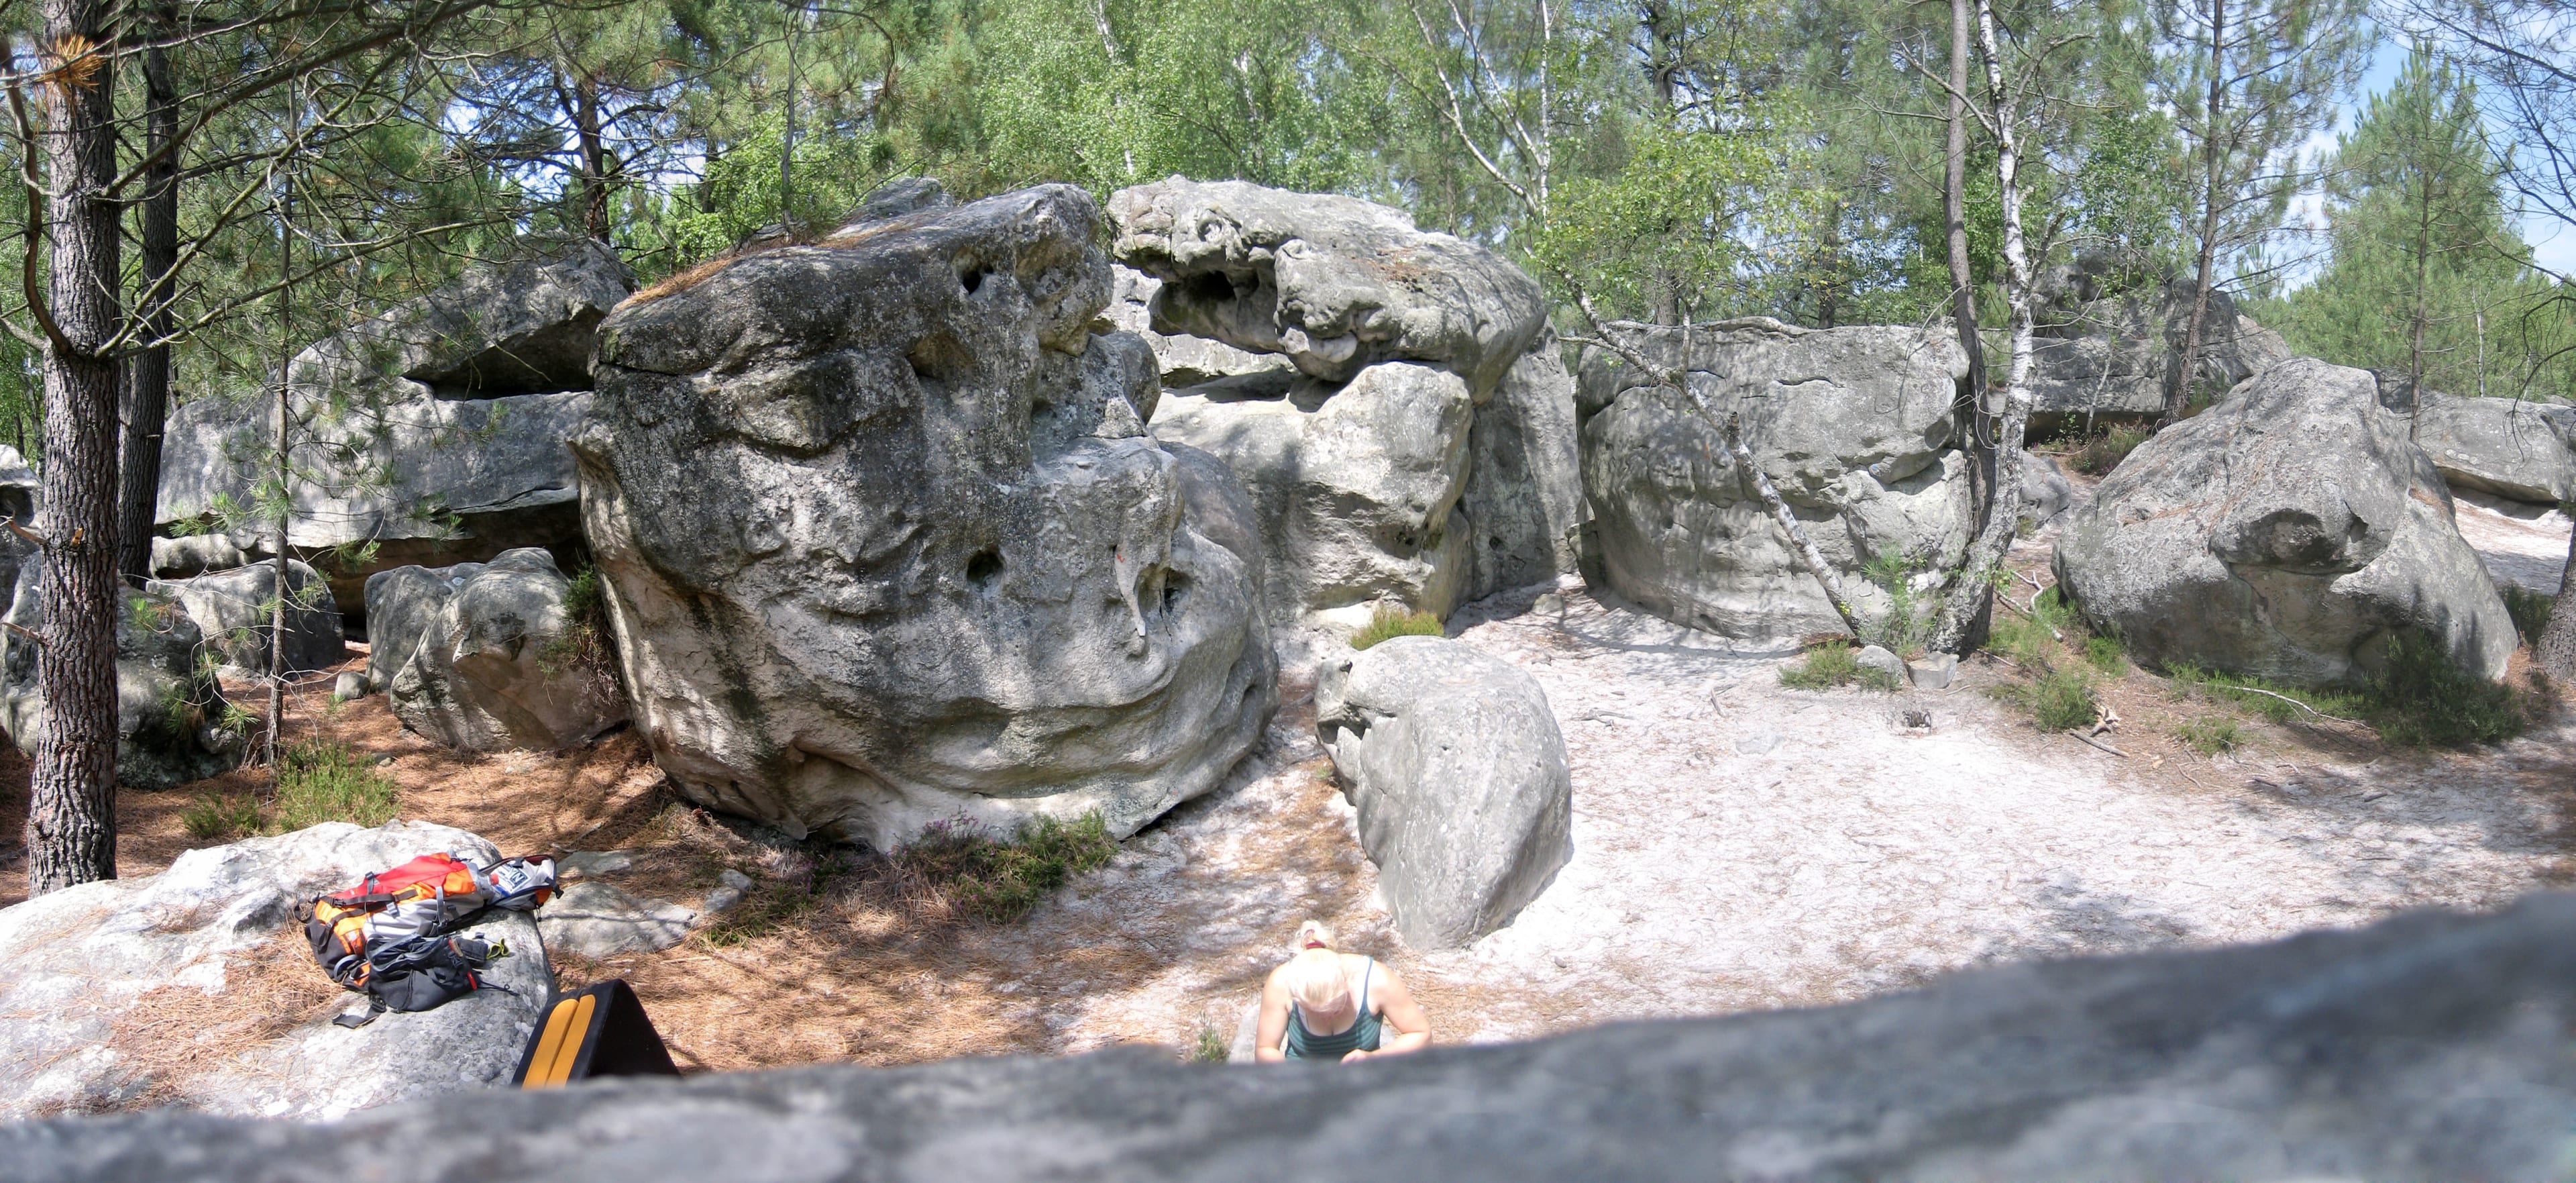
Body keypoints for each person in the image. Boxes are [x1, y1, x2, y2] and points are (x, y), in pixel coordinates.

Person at [1254, 920, 1430, 1062]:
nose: (1326, 1018)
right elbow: (1265, 1049)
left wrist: (1374, 1058)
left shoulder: (1376, 979)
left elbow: (1421, 1035)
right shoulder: (1281, 983)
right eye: (1313, 1011)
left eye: (1334, 1009)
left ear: (1347, 985)